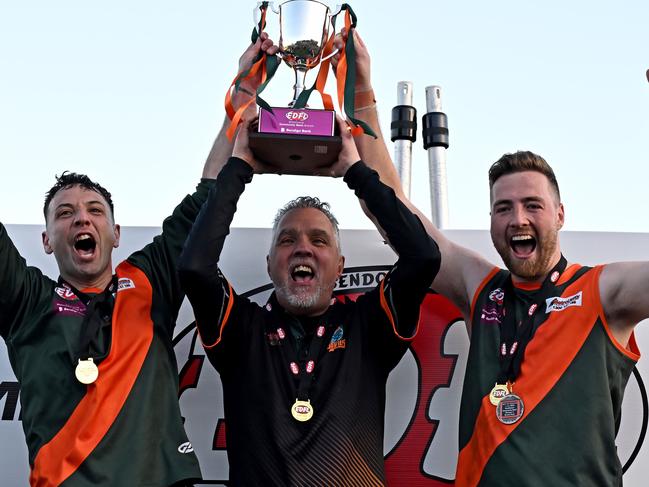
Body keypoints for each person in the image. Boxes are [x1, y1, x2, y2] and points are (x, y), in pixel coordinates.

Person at [338, 27, 645, 487]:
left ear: (560, 215)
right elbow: (395, 215)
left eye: (532, 206)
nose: (517, 219)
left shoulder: (602, 290)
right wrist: (361, 92)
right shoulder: (481, 289)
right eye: (503, 208)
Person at [0, 34, 277, 487]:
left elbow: (206, 197)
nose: (81, 220)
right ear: (47, 240)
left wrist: (244, 94)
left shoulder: (149, 279)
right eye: (65, 214)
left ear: (116, 234)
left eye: (95, 212)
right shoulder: (27, 300)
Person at [177, 114, 441, 485]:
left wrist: (356, 172)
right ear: (269, 265)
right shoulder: (242, 330)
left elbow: (423, 257)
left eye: (319, 241)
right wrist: (239, 167)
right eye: (287, 240)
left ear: (339, 267)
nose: (303, 248)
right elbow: (194, 266)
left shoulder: (368, 327)